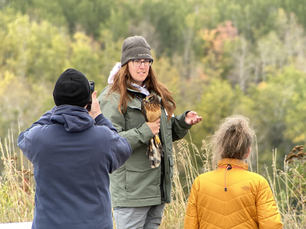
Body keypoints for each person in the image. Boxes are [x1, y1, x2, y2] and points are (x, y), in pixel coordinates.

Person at [98, 35, 202, 229]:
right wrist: (143, 131)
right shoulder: (112, 97)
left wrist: (182, 122)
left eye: (147, 61)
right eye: (137, 61)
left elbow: (162, 134)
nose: (142, 66)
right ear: (126, 64)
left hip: (156, 191)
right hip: (132, 194)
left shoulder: (152, 95)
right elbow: (109, 142)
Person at [17, 68, 132, 229]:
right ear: (88, 102)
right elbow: (124, 148)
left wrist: (57, 110)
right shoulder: (103, 138)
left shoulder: (39, 139)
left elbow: (24, 136)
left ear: (56, 99)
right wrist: (98, 115)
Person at [184, 115, 283, 229]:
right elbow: (272, 225)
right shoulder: (258, 183)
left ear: (221, 148)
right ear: (248, 151)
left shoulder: (200, 183)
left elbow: (190, 225)